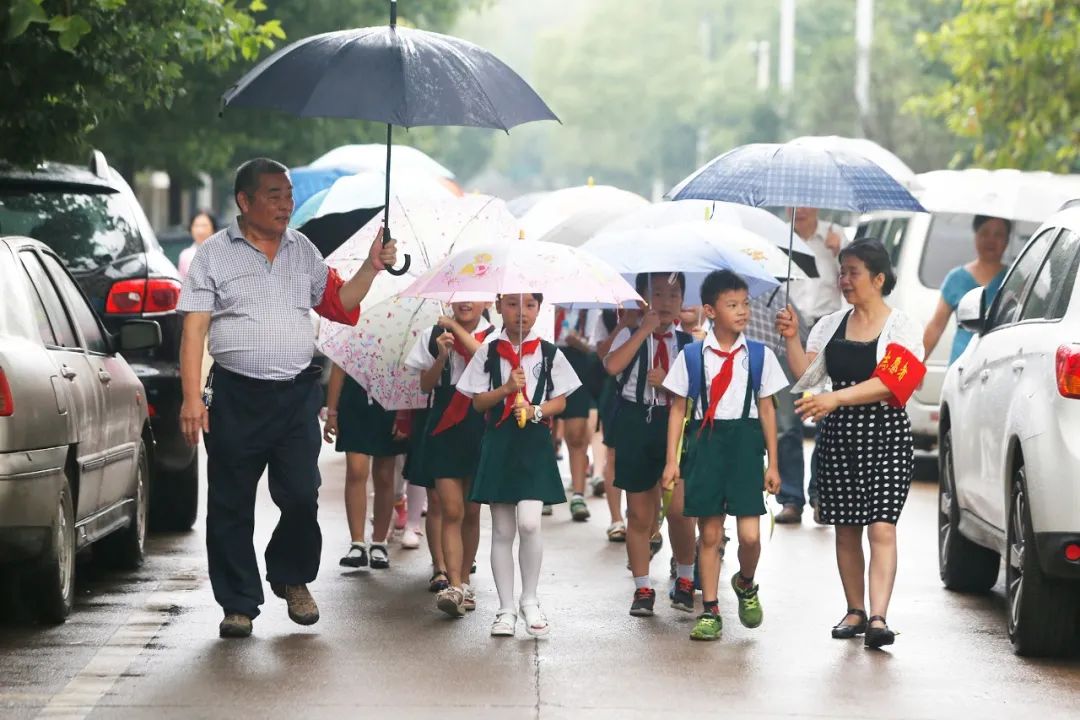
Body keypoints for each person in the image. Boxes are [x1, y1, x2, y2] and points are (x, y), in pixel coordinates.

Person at [178, 157, 397, 639]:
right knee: (231, 503)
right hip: (235, 396)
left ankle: (291, 576)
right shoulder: (213, 255)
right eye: (274, 195)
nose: (285, 204)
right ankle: (238, 604)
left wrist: (372, 266)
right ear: (245, 201)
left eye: (289, 194)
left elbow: (340, 303)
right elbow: (193, 329)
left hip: (296, 395)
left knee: (301, 493)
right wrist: (191, 398)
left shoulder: (303, 250)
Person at [777, 238, 926, 650]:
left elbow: (891, 383)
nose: (844, 280)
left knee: (881, 525)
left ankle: (879, 617)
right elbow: (807, 377)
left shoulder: (903, 328)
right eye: (842, 272)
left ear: (878, 279)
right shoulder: (829, 325)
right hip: (839, 436)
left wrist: (836, 398)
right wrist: (791, 338)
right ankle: (855, 610)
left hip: (886, 435)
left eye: (853, 272)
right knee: (846, 528)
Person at [662, 270, 785, 641]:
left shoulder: (759, 355)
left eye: (745, 303)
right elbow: (677, 410)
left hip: (746, 447)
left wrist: (774, 464)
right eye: (732, 305)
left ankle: (745, 582)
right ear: (710, 311)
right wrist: (672, 461)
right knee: (710, 533)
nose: (742, 311)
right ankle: (711, 610)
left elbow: (768, 410)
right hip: (706, 445)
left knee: (750, 536)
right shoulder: (692, 356)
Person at [456, 293, 581, 637]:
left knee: (529, 523)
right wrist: (507, 389)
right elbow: (477, 402)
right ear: (499, 306)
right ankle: (505, 609)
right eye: (512, 304)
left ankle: (530, 599)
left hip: (534, 443)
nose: (521, 312)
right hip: (499, 442)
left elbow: (561, 400)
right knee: (502, 530)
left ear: (539, 308)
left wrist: (535, 410)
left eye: (529, 305)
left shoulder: (549, 352)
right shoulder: (488, 352)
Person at [604, 273, 697, 618]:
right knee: (639, 514)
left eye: (674, 295)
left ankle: (685, 578)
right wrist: (643, 330)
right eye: (657, 294)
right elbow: (612, 366)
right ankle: (642, 587)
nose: (666, 302)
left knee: (680, 510)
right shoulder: (629, 334)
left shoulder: (689, 342)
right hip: (635, 423)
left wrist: (668, 383)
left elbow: (698, 391)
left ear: (683, 300)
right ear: (644, 299)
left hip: (675, 424)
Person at [404, 302, 495, 617]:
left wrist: (455, 328)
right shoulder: (434, 335)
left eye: (473, 296)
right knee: (450, 508)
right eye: (459, 296)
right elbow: (425, 385)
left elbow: (485, 359)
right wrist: (442, 356)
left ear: (486, 301)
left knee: (472, 510)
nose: (465, 302)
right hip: (443, 422)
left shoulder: (494, 336)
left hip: (480, 422)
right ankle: (453, 583)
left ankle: (465, 581)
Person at [323, 363, 408, 572]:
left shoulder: (400, 339)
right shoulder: (347, 339)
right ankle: (357, 543)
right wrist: (332, 411)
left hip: (389, 401)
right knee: (356, 471)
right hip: (353, 403)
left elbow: (408, 369)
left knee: (385, 475)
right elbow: (338, 367)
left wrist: (405, 414)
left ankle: (379, 542)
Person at [746, 290, 812, 524]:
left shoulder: (774, 291)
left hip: (777, 358)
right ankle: (743, 498)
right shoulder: (715, 286)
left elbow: (802, 332)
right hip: (732, 359)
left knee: (786, 428)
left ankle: (791, 499)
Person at [923, 214, 1011, 364]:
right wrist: (916, 363)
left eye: (998, 235)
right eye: (984, 233)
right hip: (961, 364)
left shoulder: (1014, 278)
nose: (991, 240)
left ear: (1007, 240)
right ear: (976, 236)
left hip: (998, 364)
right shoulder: (956, 278)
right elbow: (936, 326)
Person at [554, 307, 598, 521]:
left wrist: (579, 343)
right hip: (545, 359)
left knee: (576, 435)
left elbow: (597, 347)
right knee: (544, 430)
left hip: (578, 365)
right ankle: (544, 492)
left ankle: (578, 495)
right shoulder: (542, 302)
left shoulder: (590, 306)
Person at [177, 209, 218, 280]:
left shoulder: (222, 252)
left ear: (213, 228)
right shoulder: (185, 255)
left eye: (204, 226)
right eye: (196, 226)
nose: (200, 231)